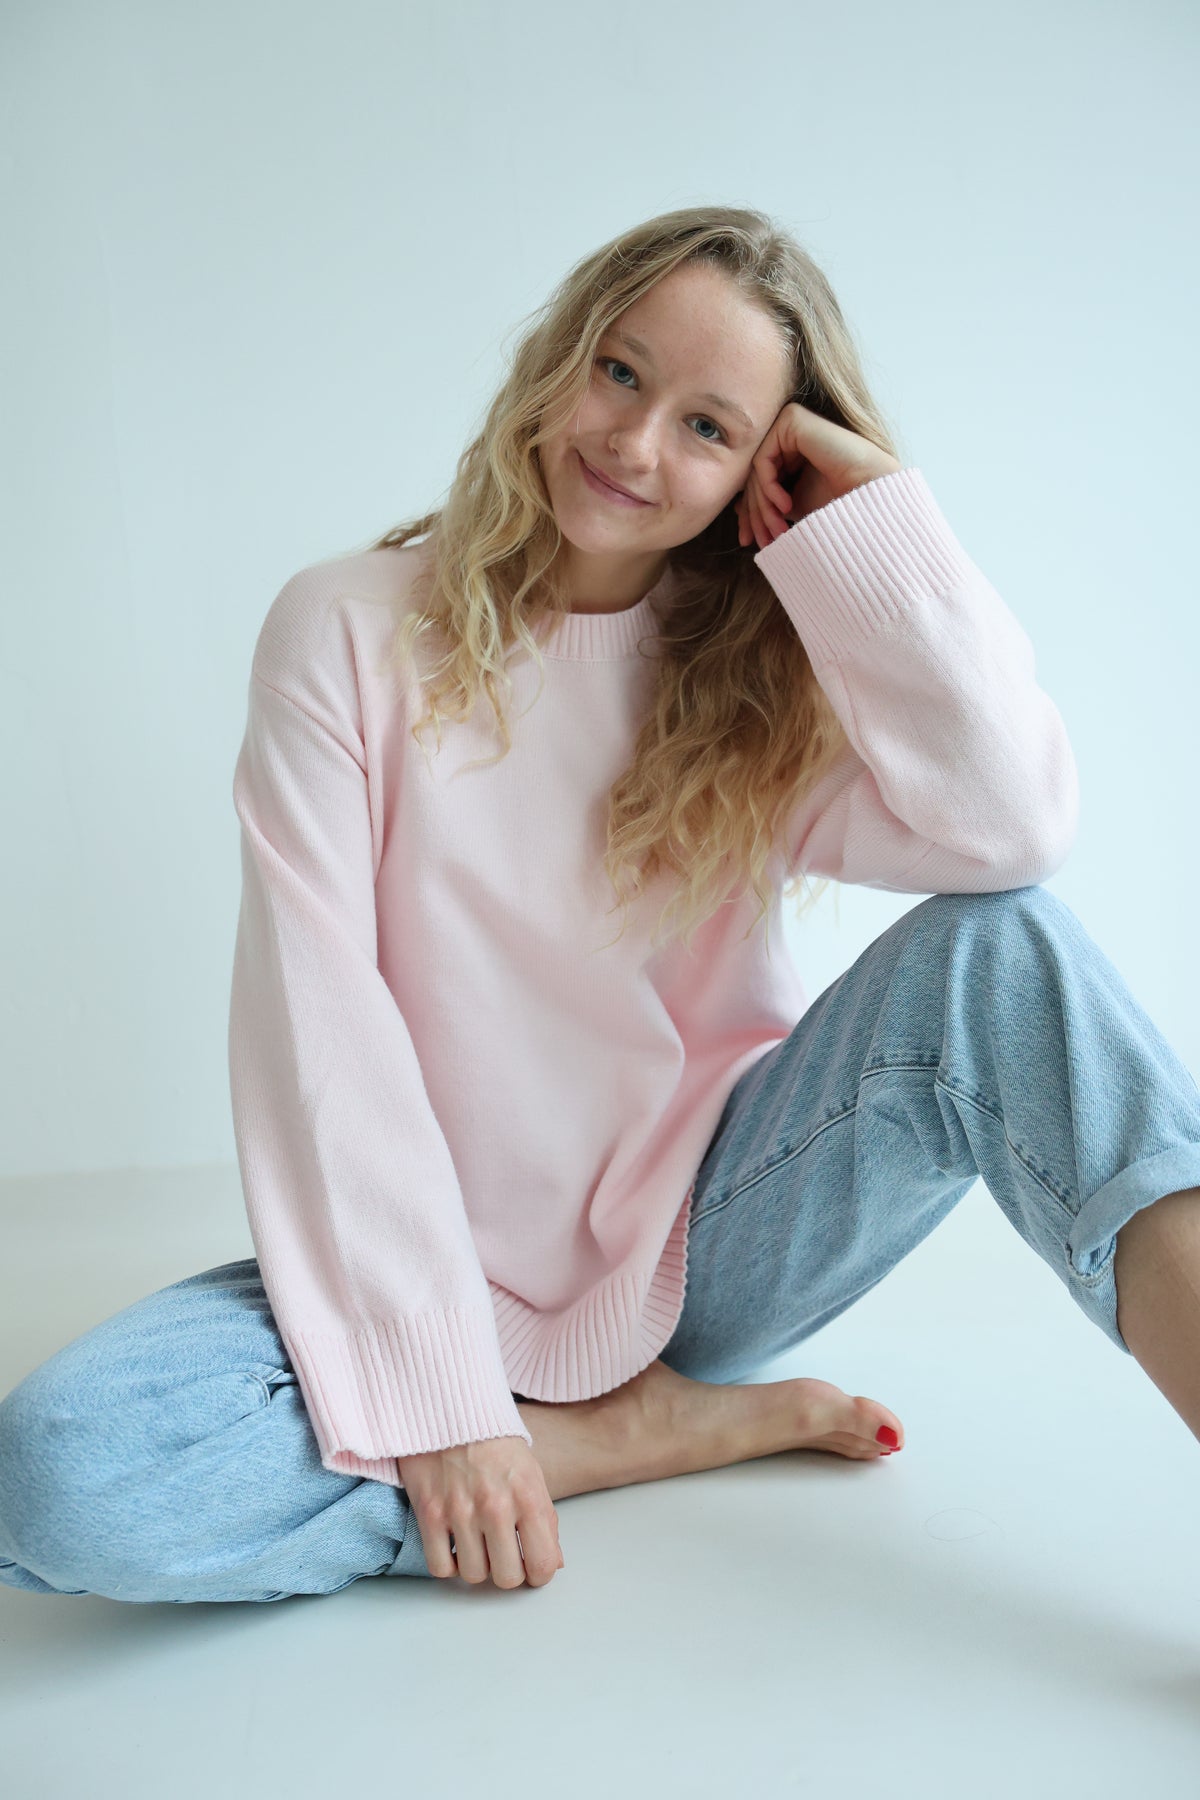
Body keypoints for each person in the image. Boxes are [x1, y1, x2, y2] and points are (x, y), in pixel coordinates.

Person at [4, 204, 1200, 1607]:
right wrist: (445, 1402)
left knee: (1003, 949)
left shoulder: (754, 677)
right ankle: (599, 1440)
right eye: (620, 372)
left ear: (761, 470)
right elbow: (325, 1034)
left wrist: (880, 524)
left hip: (710, 1241)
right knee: (62, 1474)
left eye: (708, 427)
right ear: (559, 354)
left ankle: (574, 1424)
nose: (634, 443)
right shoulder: (344, 630)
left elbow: (1010, 831)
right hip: (418, 1261)